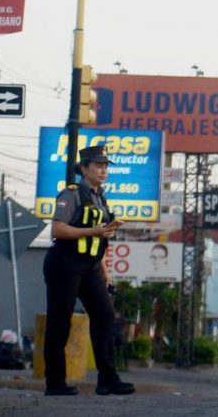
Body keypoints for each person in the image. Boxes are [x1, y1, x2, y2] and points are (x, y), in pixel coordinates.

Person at [43, 144, 135, 397]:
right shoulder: (71, 194)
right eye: (98, 165)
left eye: (106, 166)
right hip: (64, 263)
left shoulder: (100, 197)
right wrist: (94, 230)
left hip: (92, 265)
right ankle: (55, 383)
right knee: (60, 321)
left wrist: (105, 272)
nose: (103, 170)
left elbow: (99, 240)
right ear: (84, 169)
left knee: (105, 316)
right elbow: (58, 230)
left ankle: (108, 379)